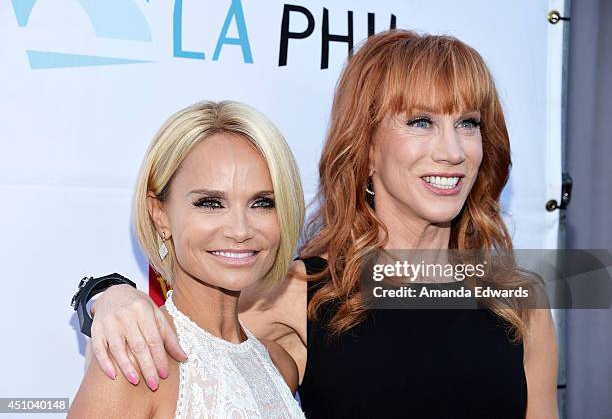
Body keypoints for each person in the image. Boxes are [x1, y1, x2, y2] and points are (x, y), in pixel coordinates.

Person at [81, 30, 559, 418]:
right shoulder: (297, 291)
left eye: (468, 123)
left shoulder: (518, 300)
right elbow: (193, 347)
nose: (452, 151)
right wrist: (106, 295)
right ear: (367, 146)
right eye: (420, 122)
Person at [68, 101, 306, 418]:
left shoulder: (279, 364)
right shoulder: (137, 362)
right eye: (210, 203)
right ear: (160, 214)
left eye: (262, 203)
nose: (240, 230)